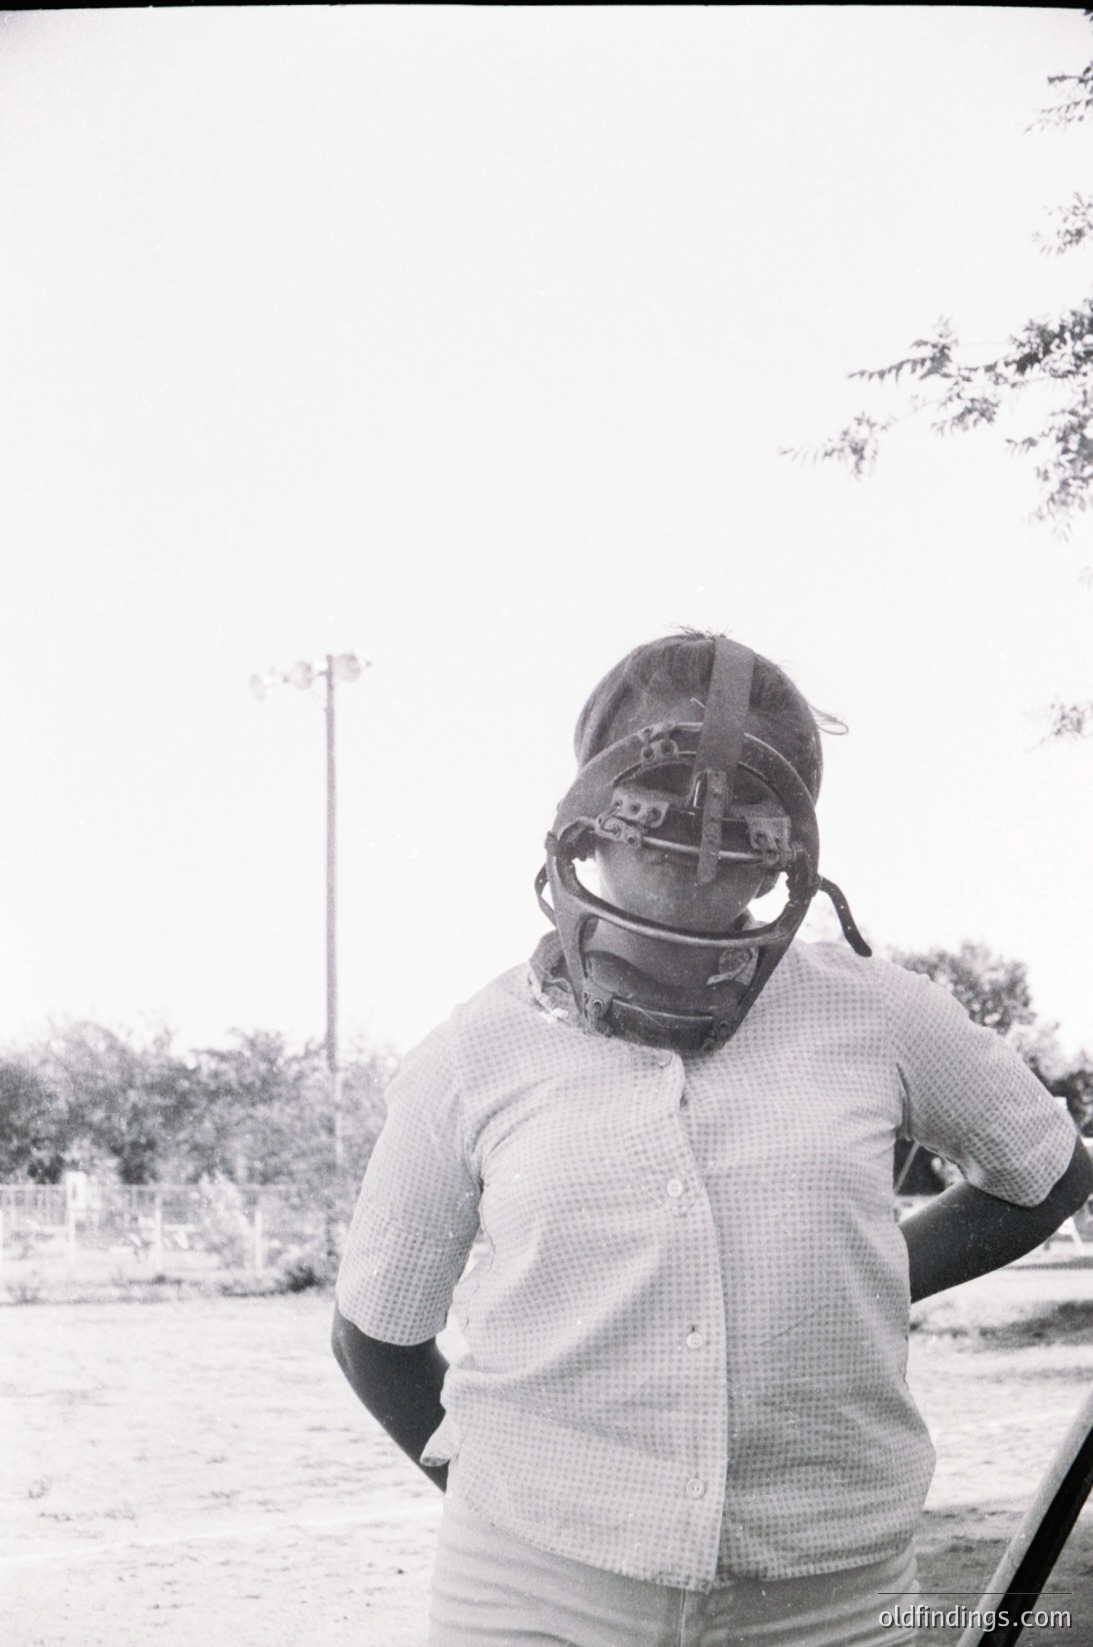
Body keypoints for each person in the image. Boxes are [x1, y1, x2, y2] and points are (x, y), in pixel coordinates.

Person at [332, 631, 1091, 1647]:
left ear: (784, 847)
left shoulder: (875, 1012)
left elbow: (1045, 1170)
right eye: (660, 828)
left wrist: (857, 1276)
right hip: (532, 1593)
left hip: (830, 1595)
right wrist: (489, 1489)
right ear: (589, 826)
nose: (694, 858)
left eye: (733, 833)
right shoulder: (477, 1050)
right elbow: (376, 1334)